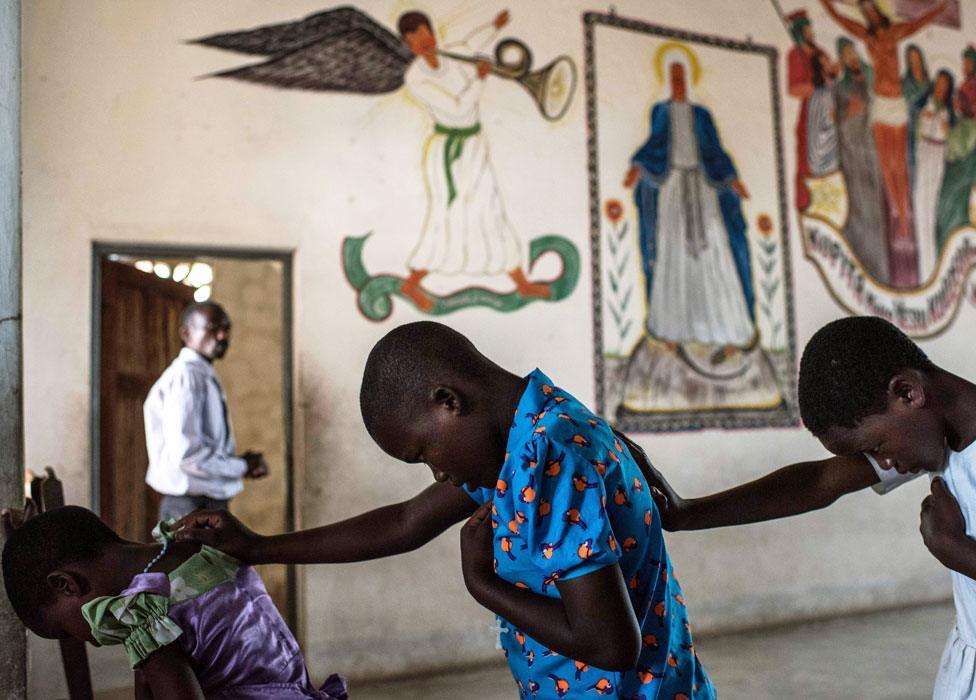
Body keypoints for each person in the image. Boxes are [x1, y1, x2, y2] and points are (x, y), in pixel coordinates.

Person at [176, 321, 715, 699]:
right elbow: (406, 522)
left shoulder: (549, 454)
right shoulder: (523, 437)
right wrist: (259, 547)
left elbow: (609, 644)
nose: (435, 474)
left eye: (423, 452)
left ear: (447, 401)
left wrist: (484, 585)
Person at [642, 315, 976, 697]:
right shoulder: (937, 437)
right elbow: (818, 483)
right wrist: (686, 512)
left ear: (906, 393)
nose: (881, 464)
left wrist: (954, 548)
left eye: (876, 447)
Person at [0, 505, 346, 700]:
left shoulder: (149, 620)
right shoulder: (203, 547)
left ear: (65, 584)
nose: (85, 639)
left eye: (66, 632)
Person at [397, 10, 549, 311]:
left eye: (425, 34)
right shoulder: (415, 77)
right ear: (408, 45)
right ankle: (411, 284)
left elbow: (471, 42)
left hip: (474, 146)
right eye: (415, 40)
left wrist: (495, 25)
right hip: (447, 153)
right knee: (446, 216)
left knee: (490, 209)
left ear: (433, 34)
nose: (423, 42)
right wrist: (479, 79)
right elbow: (456, 109)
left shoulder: (452, 53)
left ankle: (521, 282)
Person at [623, 55, 755, 357]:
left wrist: (732, 179)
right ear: (669, 80)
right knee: (673, 256)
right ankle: (672, 332)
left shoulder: (702, 115)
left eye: (682, 75)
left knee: (714, 255)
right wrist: (638, 167)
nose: (678, 80)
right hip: (672, 187)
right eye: (674, 75)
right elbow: (655, 144)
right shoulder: (661, 111)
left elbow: (714, 150)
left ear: (689, 78)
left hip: (703, 187)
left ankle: (728, 332)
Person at [820, 0, 948, 288]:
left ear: (879, 11)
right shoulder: (865, 36)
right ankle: (899, 215)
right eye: (864, 9)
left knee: (899, 164)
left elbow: (918, 24)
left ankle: (904, 216)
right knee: (887, 163)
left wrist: (941, 9)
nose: (868, 13)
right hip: (879, 104)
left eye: (871, 8)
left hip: (895, 103)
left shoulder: (895, 33)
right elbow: (838, 18)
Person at [144, 301, 268, 522]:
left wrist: (240, 464)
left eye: (226, 328)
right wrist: (241, 466)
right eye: (212, 327)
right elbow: (188, 456)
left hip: (203, 502)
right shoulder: (186, 377)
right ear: (186, 333)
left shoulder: (202, 375)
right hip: (190, 506)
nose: (222, 336)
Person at [834, 37, 889, 282]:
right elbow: (834, 117)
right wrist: (848, 113)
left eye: (852, 52)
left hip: (872, 149)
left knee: (877, 204)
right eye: (846, 54)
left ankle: (881, 264)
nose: (851, 57)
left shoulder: (870, 80)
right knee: (860, 203)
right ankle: (863, 260)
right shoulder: (840, 86)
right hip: (852, 150)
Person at [913, 70, 954, 281]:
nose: (941, 87)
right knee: (921, 206)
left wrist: (947, 131)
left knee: (932, 209)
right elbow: (915, 131)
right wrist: (923, 120)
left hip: (938, 157)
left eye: (945, 84)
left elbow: (952, 143)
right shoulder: (925, 106)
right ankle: (924, 268)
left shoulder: (948, 111)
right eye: (938, 83)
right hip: (925, 155)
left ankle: (935, 267)